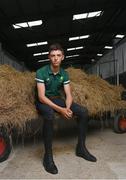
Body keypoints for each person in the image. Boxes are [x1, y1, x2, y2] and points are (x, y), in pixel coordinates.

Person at [35, 43, 97, 174]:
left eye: (58, 55)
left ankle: (81, 148)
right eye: (53, 56)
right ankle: (48, 157)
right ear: (49, 57)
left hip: (57, 99)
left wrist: (67, 108)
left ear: (63, 57)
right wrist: (60, 110)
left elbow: (68, 95)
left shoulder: (64, 74)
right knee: (49, 114)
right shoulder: (41, 72)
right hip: (43, 101)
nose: (56, 58)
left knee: (83, 112)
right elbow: (41, 97)